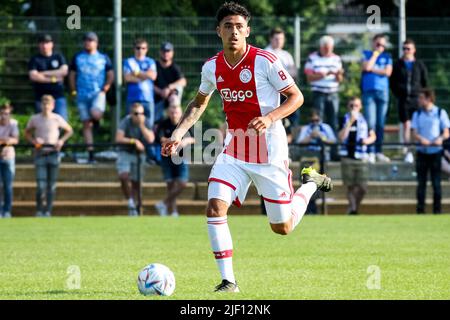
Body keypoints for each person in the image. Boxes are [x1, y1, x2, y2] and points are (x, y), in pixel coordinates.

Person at [161, 2, 333, 293]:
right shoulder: (211, 67)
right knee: (215, 207)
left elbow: (296, 97)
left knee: (282, 227)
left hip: (270, 152)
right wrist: (178, 132)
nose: (234, 32)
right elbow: (199, 103)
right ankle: (228, 282)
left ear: (248, 31)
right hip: (234, 150)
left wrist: (269, 117)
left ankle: (311, 183)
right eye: (228, 26)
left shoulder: (265, 60)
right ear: (219, 31)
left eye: (240, 27)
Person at [24, 95, 73, 217]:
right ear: (41, 105)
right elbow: (26, 132)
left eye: (48, 104)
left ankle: (48, 211)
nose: (46, 106)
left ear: (52, 105)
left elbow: (69, 130)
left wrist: (61, 141)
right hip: (40, 153)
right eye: (44, 104)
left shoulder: (57, 118)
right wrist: (34, 142)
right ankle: (39, 210)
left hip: (54, 153)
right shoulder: (35, 118)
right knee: (41, 185)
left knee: (51, 185)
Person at [69, 31, 114, 163]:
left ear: (96, 43)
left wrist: (106, 87)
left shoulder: (103, 58)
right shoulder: (77, 57)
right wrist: (73, 91)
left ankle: (97, 120)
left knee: (95, 113)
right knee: (86, 124)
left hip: (97, 93)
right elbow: (72, 74)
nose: (88, 42)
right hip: (82, 95)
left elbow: (111, 74)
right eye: (86, 40)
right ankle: (91, 154)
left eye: (91, 40)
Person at [411, 88, 450, 214]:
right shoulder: (417, 114)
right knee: (421, 184)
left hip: (436, 152)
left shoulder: (440, 112)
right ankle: (420, 211)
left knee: (436, 183)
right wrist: (422, 140)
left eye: (421, 98)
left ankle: (437, 211)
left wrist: (440, 139)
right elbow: (414, 133)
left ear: (428, 99)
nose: (419, 100)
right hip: (422, 152)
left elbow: (446, 132)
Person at [390, 38, 428, 163]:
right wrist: (399, 93)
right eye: (404, 48)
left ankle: (417, 150)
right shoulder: (398, 64)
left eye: (408, 48)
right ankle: (407, 152)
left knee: (415, 126)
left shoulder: (419, 65)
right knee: (406, 124)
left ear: (414, 50)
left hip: (416, 99)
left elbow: (424, 82)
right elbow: (393, 82)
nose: (406, 51)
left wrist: (422, 97)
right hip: (403, 99)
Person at [155, 104, 195, 217]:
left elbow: (194, 138)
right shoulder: (163, 123)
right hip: (167, 158)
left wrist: (186, 141)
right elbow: (159, 138)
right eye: (172, 112)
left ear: (180, 112)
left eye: (176, 112)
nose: (174, 114)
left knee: (182, 183)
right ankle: (173, 211)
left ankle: (163, 204)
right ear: (168, 112)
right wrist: (171, 142)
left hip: (181, 157)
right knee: (170, 185)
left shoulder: (185, 123)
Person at [115, 103, 155, 216]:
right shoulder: (126, 121)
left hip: (139, 155)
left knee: (136, 183)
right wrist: (134, 141)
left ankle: (137, 206)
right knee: (123, 176)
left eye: (142, 113)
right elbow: (118, 138)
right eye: (136, 113)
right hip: (125, 152)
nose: (139, 116)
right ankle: (130, 201)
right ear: (131, 114)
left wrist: (142, 125)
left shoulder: (145, 121)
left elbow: (151, 139)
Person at [338, 97, 376, 215]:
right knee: (350, 186)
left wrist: (367, 140)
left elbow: (373, 136)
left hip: (361, 157)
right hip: (347, 157)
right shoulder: (343, 119)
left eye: (356, 105)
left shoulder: (365, 120)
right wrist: (350, 122)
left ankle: (353, 208)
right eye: (351, 106)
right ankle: (353, 210)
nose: (354, 108)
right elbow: (341, 137)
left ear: (360, 107)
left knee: (363, 187)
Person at [361, 34, 393, 163]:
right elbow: (366, 67)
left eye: (383, 45)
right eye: (378, 44)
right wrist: (375, 55)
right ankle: (370, 151)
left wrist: (373, 69)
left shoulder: (387, 57)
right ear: (373, 43)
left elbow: (388, 72)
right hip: (369, 92)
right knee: (370, 122)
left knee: (380, 123)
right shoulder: (367, 54)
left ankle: (378, 151)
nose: (381, 47)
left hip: (383, 93)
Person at [304, 35, 344, 134]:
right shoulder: (312, 58)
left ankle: (334, 147)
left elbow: (340, 79)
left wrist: (338, 75)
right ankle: (319, 146)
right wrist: (324, 75)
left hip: (333, 93)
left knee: (333, 121)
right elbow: (309, 78)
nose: (328, 50)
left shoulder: (337, 58)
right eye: (326, 48)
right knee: (318, 120)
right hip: (318, 93)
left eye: (330, 48)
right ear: (321, 47)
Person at [28, 34, 69, 120]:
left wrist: (43, 73)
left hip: (58, 96)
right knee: (42, 123)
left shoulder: (58, 57)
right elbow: (33, 76)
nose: (44, 45)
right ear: (39, 45)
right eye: (42, 43)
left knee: (62, 121)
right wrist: (54, 78)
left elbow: (64, 71)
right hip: (40, 97)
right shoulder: (35, 59)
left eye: (47, 43)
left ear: (52, 44)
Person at [265, 28, 299, 126]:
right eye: (276, 39)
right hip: (273, 92)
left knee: (293, 118)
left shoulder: (286, 55)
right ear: (270, 39)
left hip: (287, 90)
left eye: (281, 39)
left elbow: (294, 72)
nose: (279, 41)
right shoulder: (266, 53)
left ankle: (292, 139)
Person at [123, 38, 157, 126]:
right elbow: (127, 78)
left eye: (143, 48)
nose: (140, 50)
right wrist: (145, 76)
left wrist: (137, 73)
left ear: (147, 49)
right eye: (138, 48)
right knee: (130, 127)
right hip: (132, 98)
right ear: (134, 49)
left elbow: (153, 76)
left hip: (147, 99)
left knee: (149, 126)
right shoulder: (128, 61)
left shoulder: (150, 61)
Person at [153, 42, 187, 123]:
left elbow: (183, 81)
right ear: (160, 52)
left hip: (171, 97)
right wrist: (160, 91)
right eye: (164, 51)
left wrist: (168, 88)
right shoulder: (154, 65)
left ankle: (177, 122)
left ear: (172, 53)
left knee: (175, 96)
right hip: (156, 98)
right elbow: (149, 83)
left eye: (168, 51)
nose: (166, 53)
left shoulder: (175, 67)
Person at [0, 103, 19, 218]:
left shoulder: (13, 123)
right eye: (1, 113)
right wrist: (6, 140)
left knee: (8, 186)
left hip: (8, 157)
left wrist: (3, 141)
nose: (3, 116)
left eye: (6, 113)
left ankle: (7, 211)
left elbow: (15, 140)